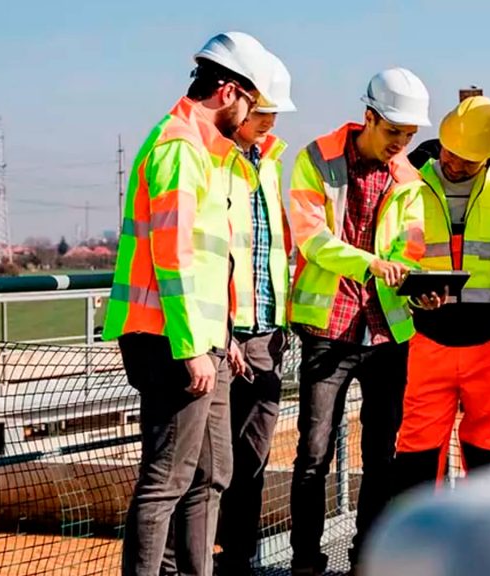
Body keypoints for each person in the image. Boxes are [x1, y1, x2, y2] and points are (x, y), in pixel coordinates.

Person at [101, 31, 274, 576]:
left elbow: (205, 264)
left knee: (212, 474)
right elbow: (172, 259)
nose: (251, 116)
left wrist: (221, 339)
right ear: (228, 92)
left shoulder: (203, 152)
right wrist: (193, 348)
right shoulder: (179, 149)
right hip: (171, 342)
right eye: (250, 103)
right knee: (167, 482)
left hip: (203, 340)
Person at [286, 67, 430, 575]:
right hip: (328, 328)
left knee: (381, 454)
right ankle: (306, 560)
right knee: (313, 452)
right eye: (394, 132)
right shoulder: (315, 160)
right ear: (369, 117)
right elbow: (311, 239)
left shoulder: (410, 179)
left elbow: (409, 252)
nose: (401, 145)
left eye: (410, 136)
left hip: (388, 333)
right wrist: (370, 263)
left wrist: (417, 288)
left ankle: (366, 559)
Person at [393, 95, 490, 494]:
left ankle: (484, 545)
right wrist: (412, 295)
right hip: (426, 338)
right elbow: (391, 251)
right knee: (417, 448)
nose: (453, 165)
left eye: (467, 161)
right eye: (449, 154)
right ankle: (420, 546)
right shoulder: (410, 180)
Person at [215, 54, 296, 574]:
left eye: (273, 113)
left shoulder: (267, 161)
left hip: (266, 331)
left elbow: (271, 247)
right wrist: (224, 330)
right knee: (213, 463)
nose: (268, 120)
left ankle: (240, 557)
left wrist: (282, 320)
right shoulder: (213, 158)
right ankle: (205, 555)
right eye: (261, 110)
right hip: (224, 334)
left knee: (253, 457)